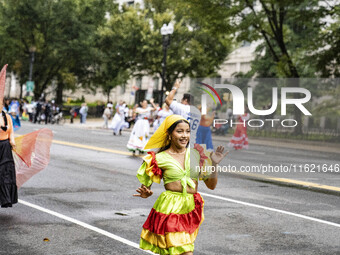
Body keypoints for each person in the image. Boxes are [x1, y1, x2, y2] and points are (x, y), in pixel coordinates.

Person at [134, 114, 228, 255]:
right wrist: (146, 193)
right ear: (170, 134)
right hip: (170, 209)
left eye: (187, 131)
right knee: (185, 251)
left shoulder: (197, 155)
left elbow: (211, 185)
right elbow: (146, 187)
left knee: (175, 251)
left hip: (191, 208)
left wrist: (214, 164)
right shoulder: (158, 158)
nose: (184, 135)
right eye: (179, 131)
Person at [165, 79, 201, 145]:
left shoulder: (182, 108)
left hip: (180, 141)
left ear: (185, 100)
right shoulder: (198, 112)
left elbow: (168, 100)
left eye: (182, 100)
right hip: (191, 141)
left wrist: (175, 87)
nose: (181, 102)